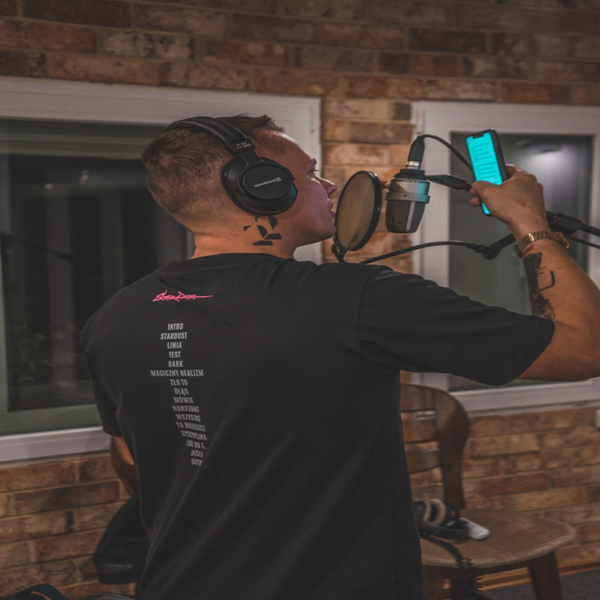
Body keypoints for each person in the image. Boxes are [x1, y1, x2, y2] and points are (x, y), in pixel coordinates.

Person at [80, 115, 600, 600]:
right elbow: (583, 348)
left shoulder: (112, 319)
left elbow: (130, 458)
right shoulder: (360, 299)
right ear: (261, 186)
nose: (328, 186)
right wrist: (529, 221)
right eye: (310, 173)